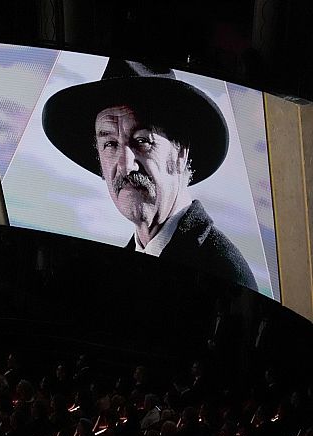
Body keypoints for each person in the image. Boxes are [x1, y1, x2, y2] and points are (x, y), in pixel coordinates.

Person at [42, 59, 257, 291]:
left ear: (181, 151)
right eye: (110, 144)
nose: (125, 166)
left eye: (142, 141)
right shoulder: (117, 273)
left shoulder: (225, 276)